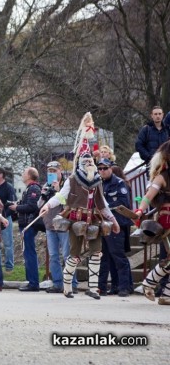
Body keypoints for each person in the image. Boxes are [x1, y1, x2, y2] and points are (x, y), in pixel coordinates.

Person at [40, 112, 120, 299]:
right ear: (81, 164)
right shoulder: (73, 180)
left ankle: (93, 288)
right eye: (86, 162)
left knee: (96, 253)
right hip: (76, 218)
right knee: (74, 255)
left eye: (91, 161)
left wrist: (113, 220)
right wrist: (48, 206)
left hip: (94, 219)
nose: (89, 164)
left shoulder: (97, 181)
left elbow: (103, 204)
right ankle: (67, 286)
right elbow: (61, 196)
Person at [134, 141, 170, 305]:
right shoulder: (162, 177)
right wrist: (140, 210)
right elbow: (149, 196)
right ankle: (148, 283)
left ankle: (167, 295)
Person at [37, 161, 76, 294]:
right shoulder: (46, 185)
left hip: (63, 224)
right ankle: (58, 284)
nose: (52, 173)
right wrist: (44, 194)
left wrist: (58, 190)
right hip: (50, 225)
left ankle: (72, 283)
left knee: (67, 255)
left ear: (60, 171)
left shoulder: (67, 184)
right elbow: (39, 205)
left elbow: (68, 204)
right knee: (53, 255)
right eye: (49, 171)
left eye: (54, 170)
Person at [96, 158, 132, 297]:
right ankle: (102, 288)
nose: (102, 171)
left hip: (117, 224)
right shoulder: (99, 184)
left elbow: (123, 204)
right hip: (103, 224)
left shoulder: (119, 183)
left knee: (118, 257)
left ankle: (124, 287)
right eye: (100, 169)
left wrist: (104, 208)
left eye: (105, 168)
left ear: (111, 168)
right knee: (104, 257)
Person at [9, 167, 41, 291]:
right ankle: (30, 281)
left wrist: (17, 207)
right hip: (25, 225)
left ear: (29, 176)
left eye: (24, 173)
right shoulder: (29, 188)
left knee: (30, 253)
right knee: (27, 253)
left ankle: (33, 283)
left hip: (29, 224)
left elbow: (32, 206)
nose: (22, 175)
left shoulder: (34, 188)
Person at [0, 167, 16, 272]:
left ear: (1, 175)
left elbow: (12, 204)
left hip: (5, 218)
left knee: (8, 243)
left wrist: (3, 217)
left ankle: (9, 266)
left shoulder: (8, 187)